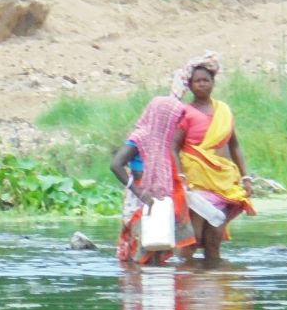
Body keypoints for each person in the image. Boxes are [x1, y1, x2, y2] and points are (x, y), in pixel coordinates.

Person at [170, 53, 256, 262]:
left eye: (205, 80)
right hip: (197, 182)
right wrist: (180, 175)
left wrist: (245, 177)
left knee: (214, 238)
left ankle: (214, 280)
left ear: (213, 83)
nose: (201, 85)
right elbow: (174, 146)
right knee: (194, 236)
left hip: (223, 180)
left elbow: (234, 144)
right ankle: (184, 281)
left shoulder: (224, 110)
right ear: (189, 86)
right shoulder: (186, 112)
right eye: (196, 81)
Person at [110, 88, 188, 267]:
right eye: (174, 120)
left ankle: (153, 287)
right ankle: (137, 286)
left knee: (158, 242)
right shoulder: (140, 137)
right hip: (139, 197)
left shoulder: (163, 141)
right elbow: (116, 165)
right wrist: (139, 192)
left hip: (157, 198)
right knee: (141, 243)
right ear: (163, 118)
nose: (177, 124)